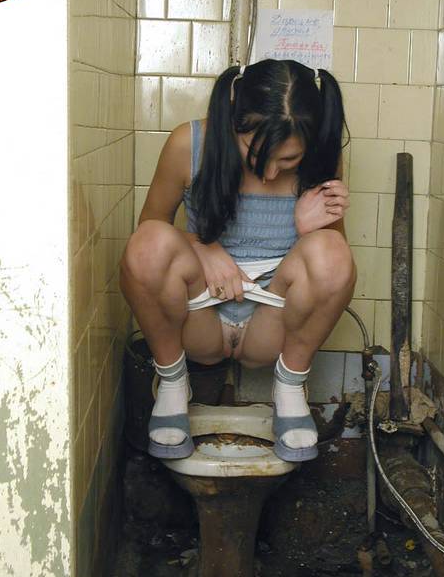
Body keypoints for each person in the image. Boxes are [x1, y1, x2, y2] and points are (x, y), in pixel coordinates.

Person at [120, 59, 355, 463]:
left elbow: (332, 270)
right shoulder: (188, 144)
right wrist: (204, 248)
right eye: (255, 153)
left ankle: (290, 387)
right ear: (233, 119)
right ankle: (172, 383)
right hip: (200, 317)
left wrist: (308, 229)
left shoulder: (321, 157)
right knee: (147, 245)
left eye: (287, 161)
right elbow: (150, 228)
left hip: (272, 325)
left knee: (333, 253)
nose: (269, 173)